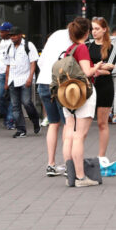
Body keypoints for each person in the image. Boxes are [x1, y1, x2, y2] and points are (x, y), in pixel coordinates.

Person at [60, 18, 98, 187]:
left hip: (68, 94)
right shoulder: (82, 48)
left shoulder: (69, 49)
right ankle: (81, 177)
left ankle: (71, 174)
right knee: (79, 136)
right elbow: (87, 71)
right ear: (87, 32)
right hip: (83, 94)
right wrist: (98, 66)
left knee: (69, 133)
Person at [36, 24, 74, 177]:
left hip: (43, 82)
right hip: (60, 84)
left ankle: (50, 164)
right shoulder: (75, 41)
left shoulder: (55, 35)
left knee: (53, 123)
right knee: (68, 123)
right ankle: (67, 164)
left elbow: (41, 61)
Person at [2, 28, 40, 138]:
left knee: (26, 102)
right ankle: (21, 130)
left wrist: (30, 78)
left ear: (20, 35)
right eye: (11, 35)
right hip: (12, 80)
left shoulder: (28, 45)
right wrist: (6, 81)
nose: (12, 37)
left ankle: (35, 120)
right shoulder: (9, 47)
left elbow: (33, 63)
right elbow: (8, 65)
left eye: (14, 35)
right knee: (15, 106)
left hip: (25, 79)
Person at [88, 17, 116, 156]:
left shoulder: (111, 47)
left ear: (104, 29)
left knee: (102, 123)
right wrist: (99, 67)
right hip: (89, 87)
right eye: (92, 28)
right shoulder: (87, 46)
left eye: (97, 29)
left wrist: (95, 69)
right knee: (84, 123)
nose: (94, 32)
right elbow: (85, 67)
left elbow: (110, 69)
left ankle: (101, 156)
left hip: (105, 87)